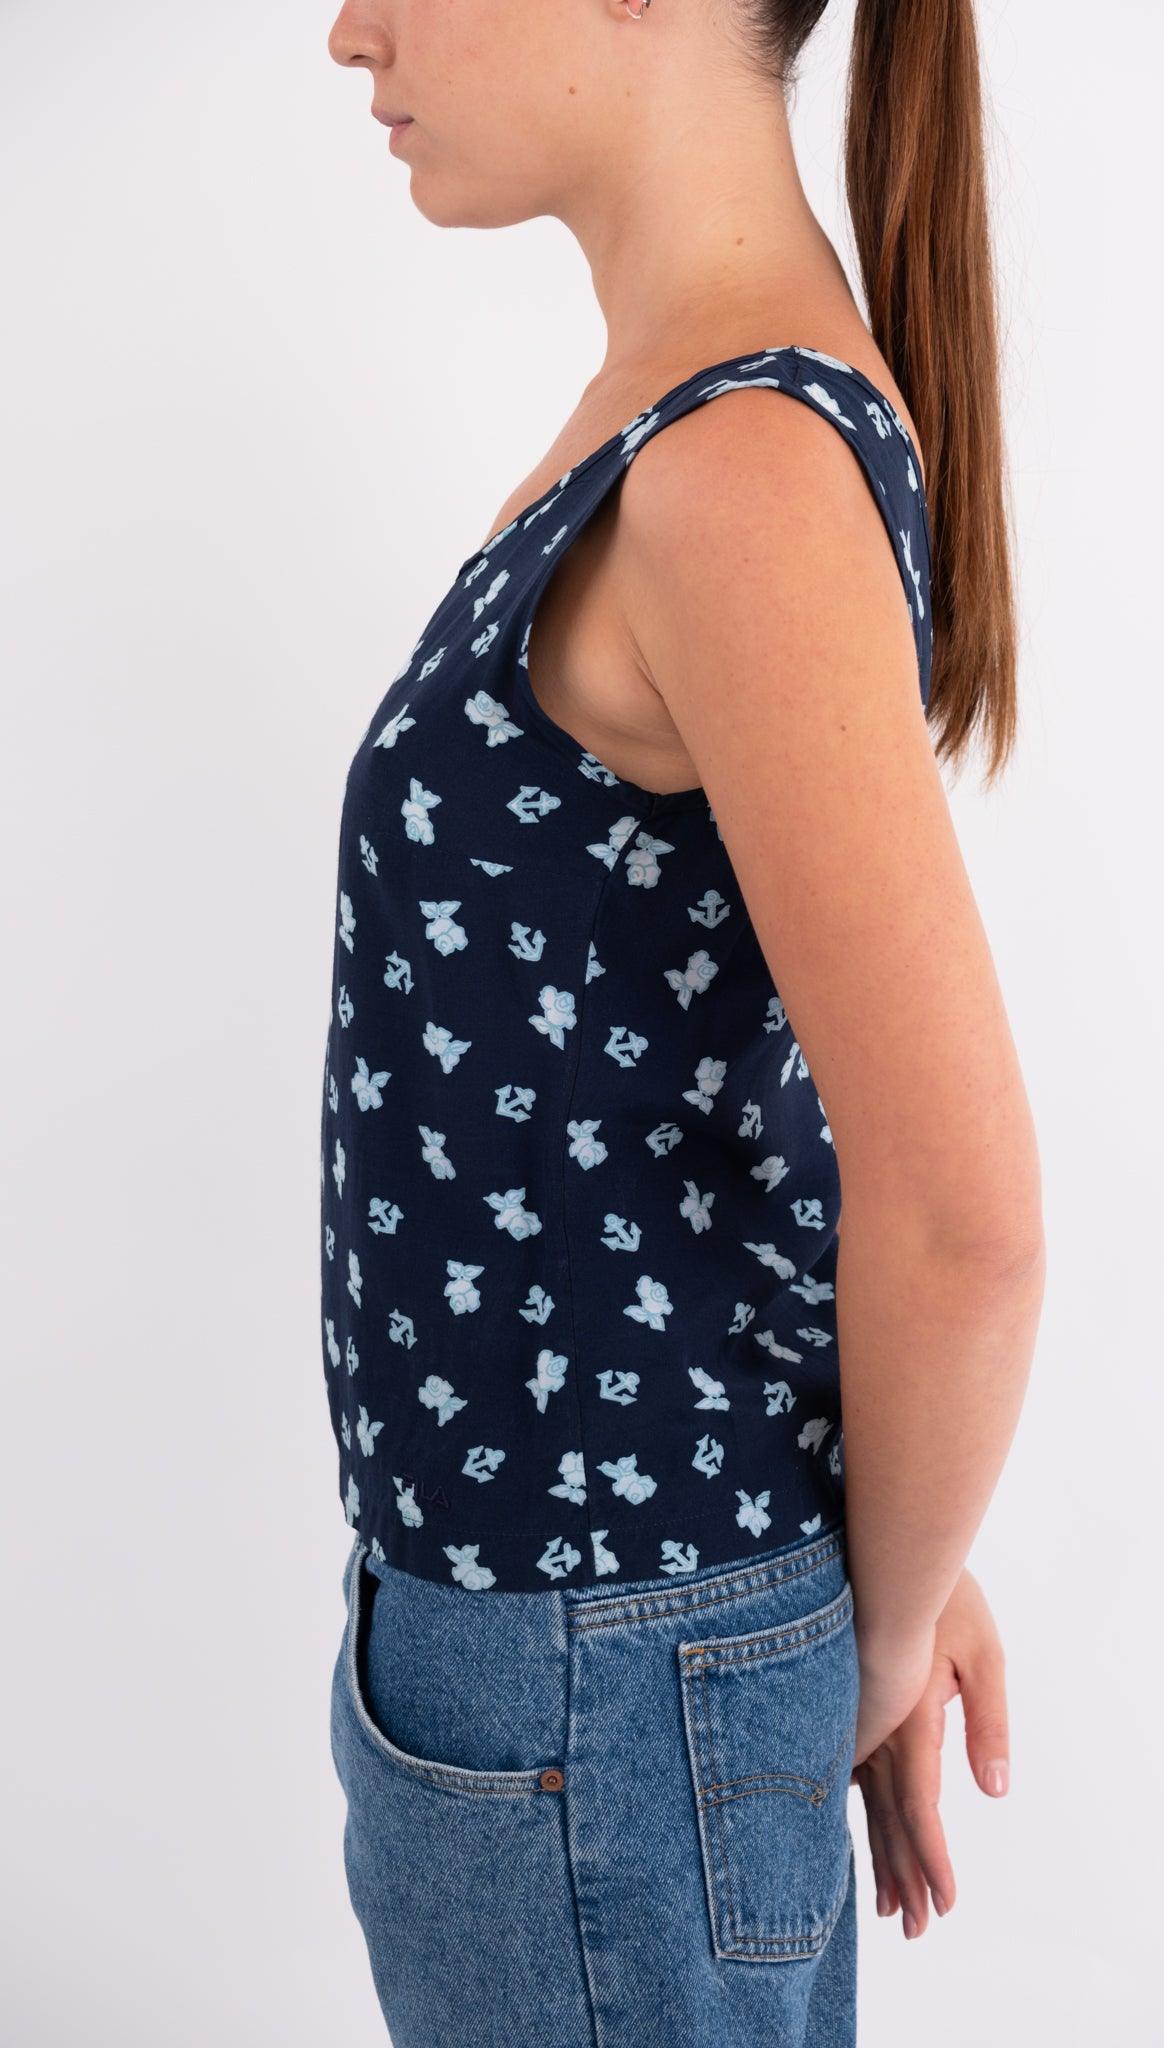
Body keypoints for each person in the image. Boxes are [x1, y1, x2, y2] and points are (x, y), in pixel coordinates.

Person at [320, 1, 1044, 2041]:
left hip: (600, 1669)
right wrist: (867, 1553)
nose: (349, 32)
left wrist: (871, 1630)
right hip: (585, 1653)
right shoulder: (684, 425)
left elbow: (965, 1212)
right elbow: (711, 1078)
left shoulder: (734, 468)